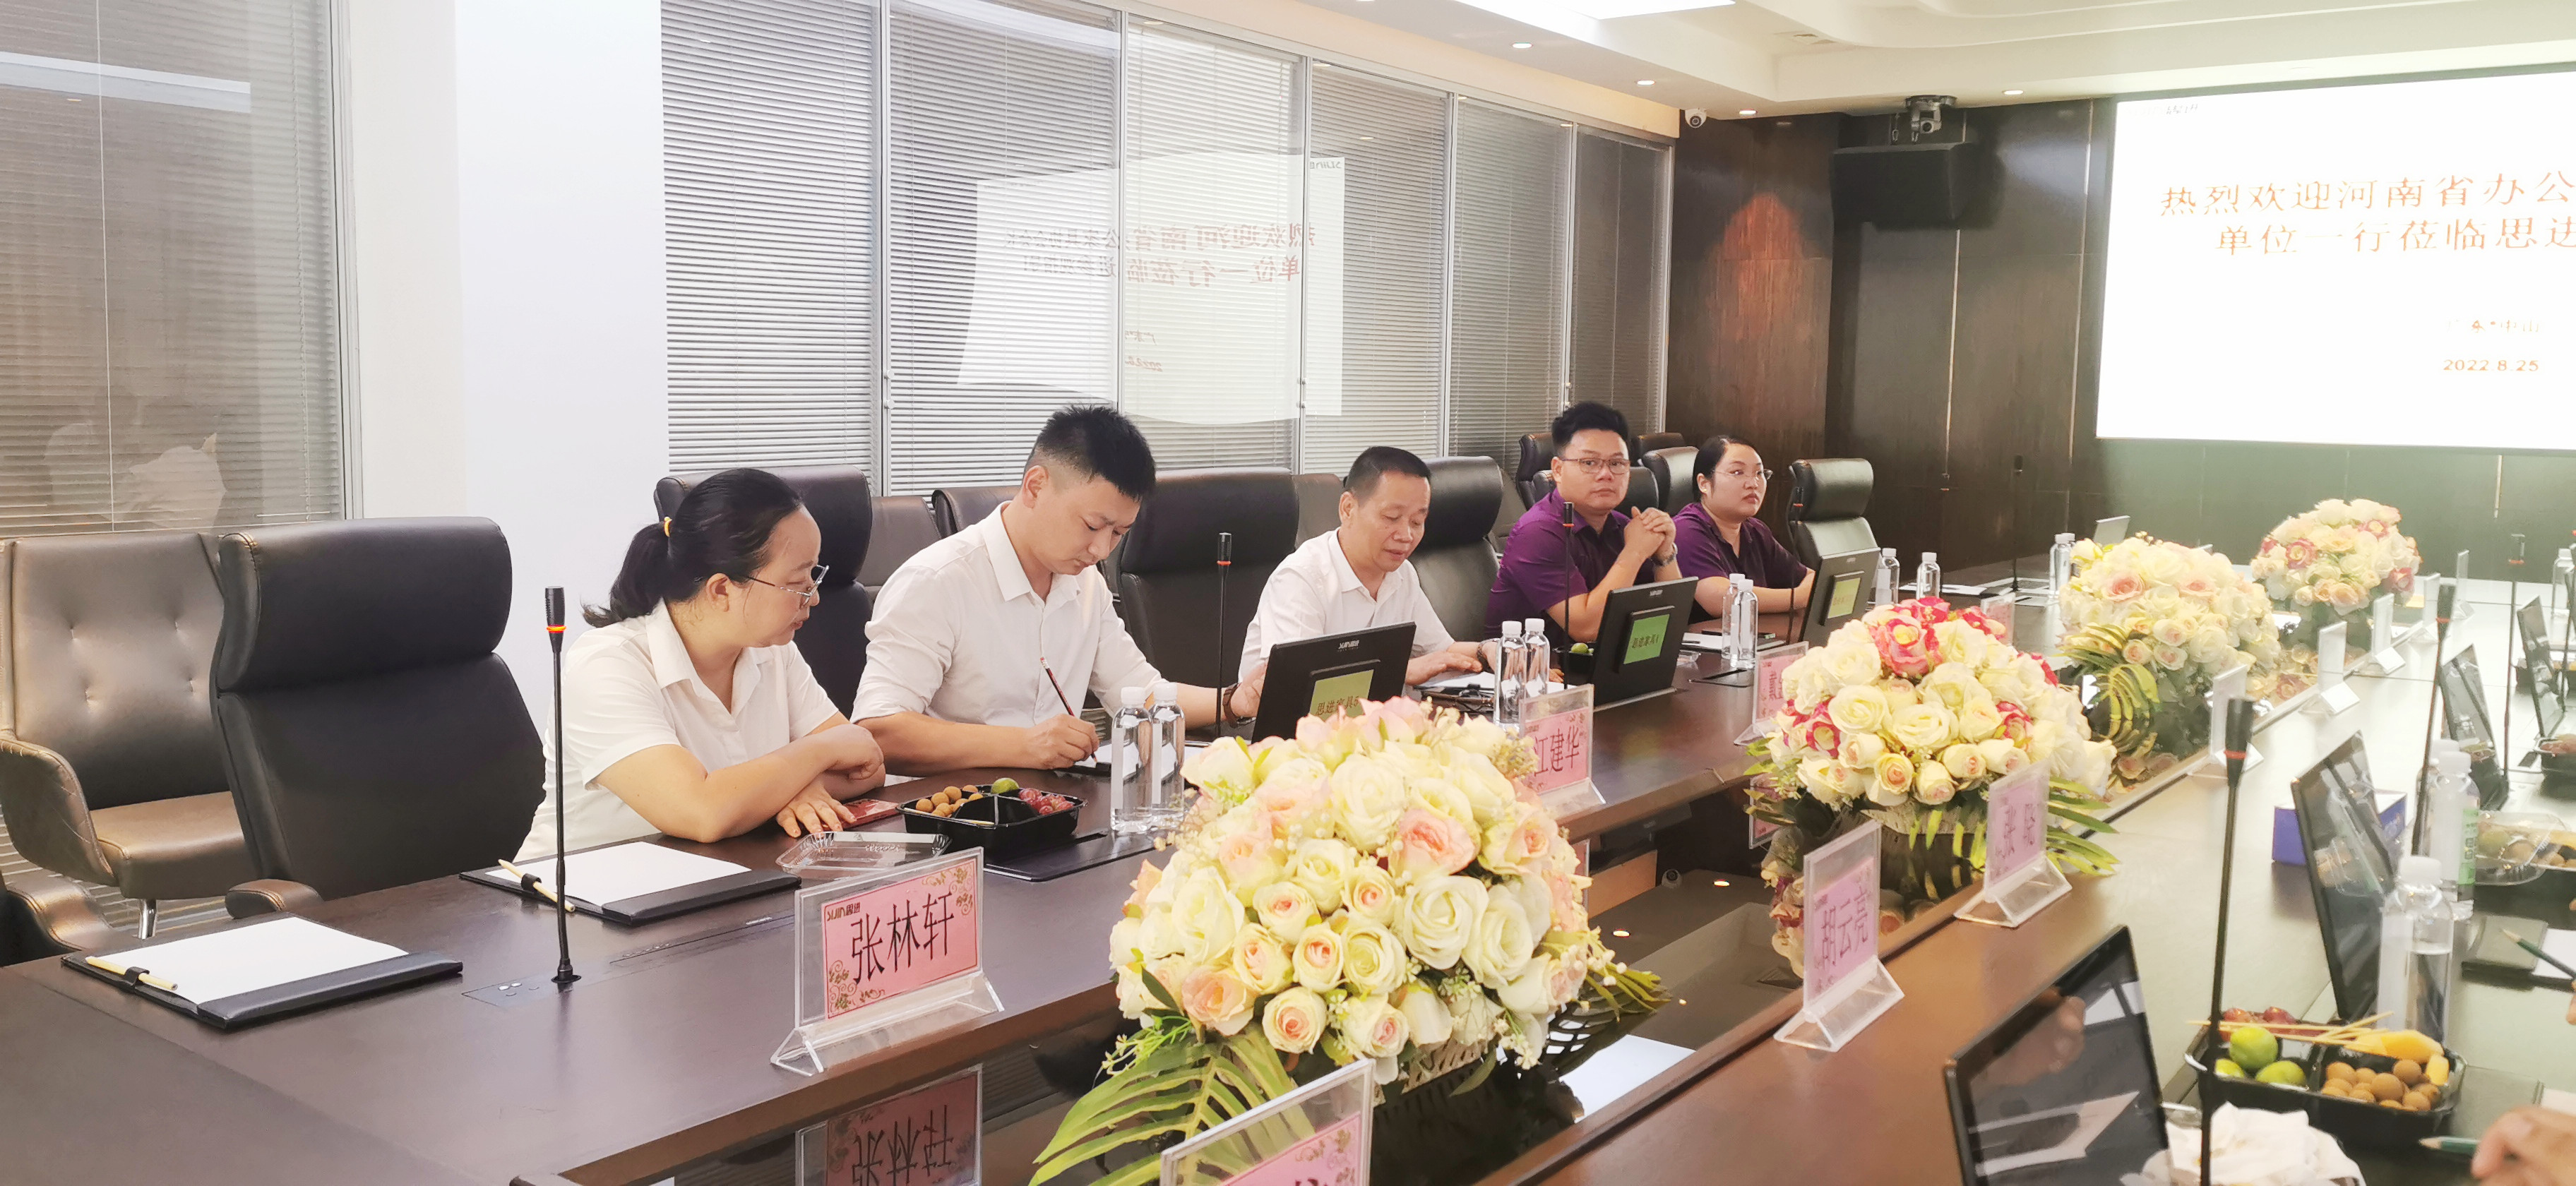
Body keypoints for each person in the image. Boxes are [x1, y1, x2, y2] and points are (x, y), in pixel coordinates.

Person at [856, 406, 1262, 774]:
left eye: (1119, 533)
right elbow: (880, 731)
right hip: (953, 814)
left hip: (1054, 804)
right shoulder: (936, 581)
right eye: (1092, 526)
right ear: (1036, 486)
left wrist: (1232, 701)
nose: (1101, 550)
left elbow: (1139, 693)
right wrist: (1024, 745)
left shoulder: (1086, 583)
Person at [519, 469, 888, 859]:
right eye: (798, 583)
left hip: (717, 873)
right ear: (722, 589)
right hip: (581, 888)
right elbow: (701, 812)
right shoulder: (606, 665)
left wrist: (801, 787)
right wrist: (820, 751)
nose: (813, 598)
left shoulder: (771, 650)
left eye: (815, 577)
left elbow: (867, 765)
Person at [1238, 447, 1484, 687]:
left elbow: (1442, 652)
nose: (1406, 535)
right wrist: (1401, 671)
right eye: (1391, 517)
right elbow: (1300, 682)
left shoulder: (1402, 574)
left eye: (1417, 521)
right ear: (1348, 509)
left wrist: (1488, 651)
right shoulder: (1301, 579)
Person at [1486, 402, 1681, 648]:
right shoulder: (1536, 532)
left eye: (1617, 463)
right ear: (1558, 470)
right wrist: (1635, 552)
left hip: (1604, 661)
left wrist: (1664, 554)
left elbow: (1672, 618)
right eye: (1589, 463)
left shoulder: (1623, 527)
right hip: (1532, 667)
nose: (1606, 474)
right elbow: (1586, 629)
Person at [1673, 435, 1813, 623]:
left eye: (1759, 473)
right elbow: (1721, 599)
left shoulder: (1755, 530)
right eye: (1737, 472)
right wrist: (1798, 598)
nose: (1753, 484)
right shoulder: (1686, 531)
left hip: (1751, 637)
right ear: (1704, 484)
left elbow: (1810, 578)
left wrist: (1803, 593)